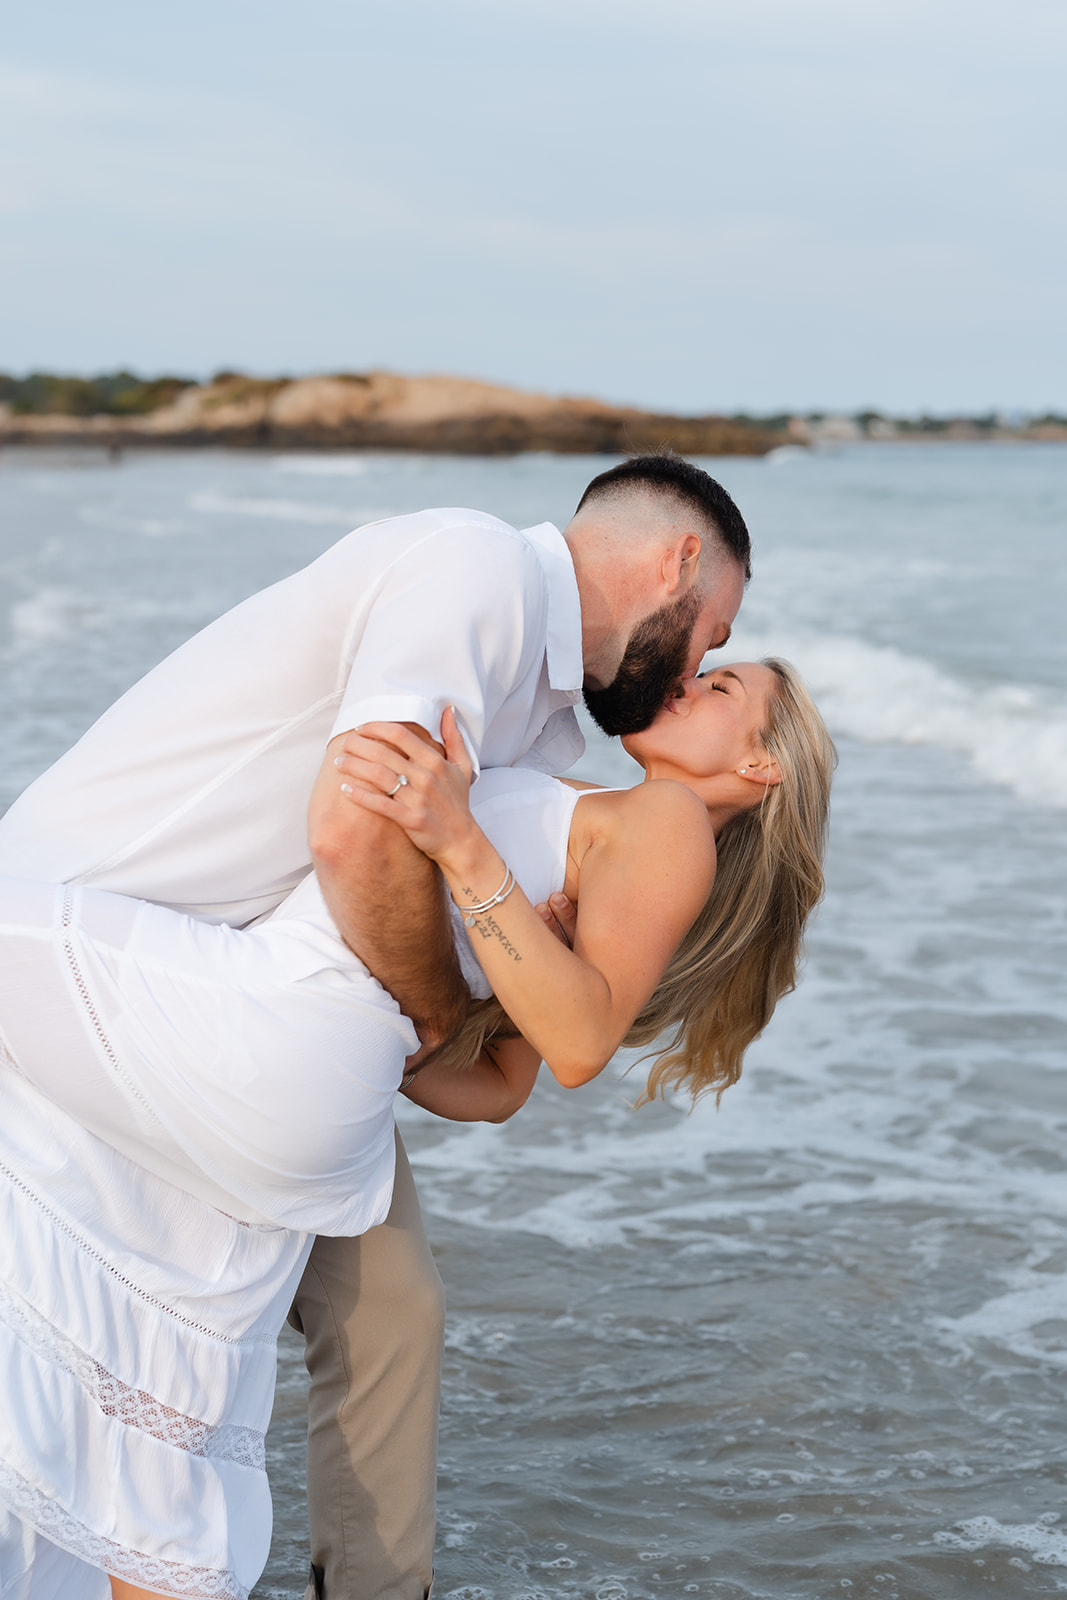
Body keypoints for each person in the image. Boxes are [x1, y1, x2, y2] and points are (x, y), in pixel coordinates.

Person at [0, 453, 750, 1600]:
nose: (696, 668)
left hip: (259, 1004)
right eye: (713, 635)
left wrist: (451, 978)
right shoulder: (478, 574)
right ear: (677, 562)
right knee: (181, 1380)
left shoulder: (550, 741)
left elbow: (492, 1008)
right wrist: (445, 1007)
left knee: (370, 1310)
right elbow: (359, 829)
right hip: (129, 930)